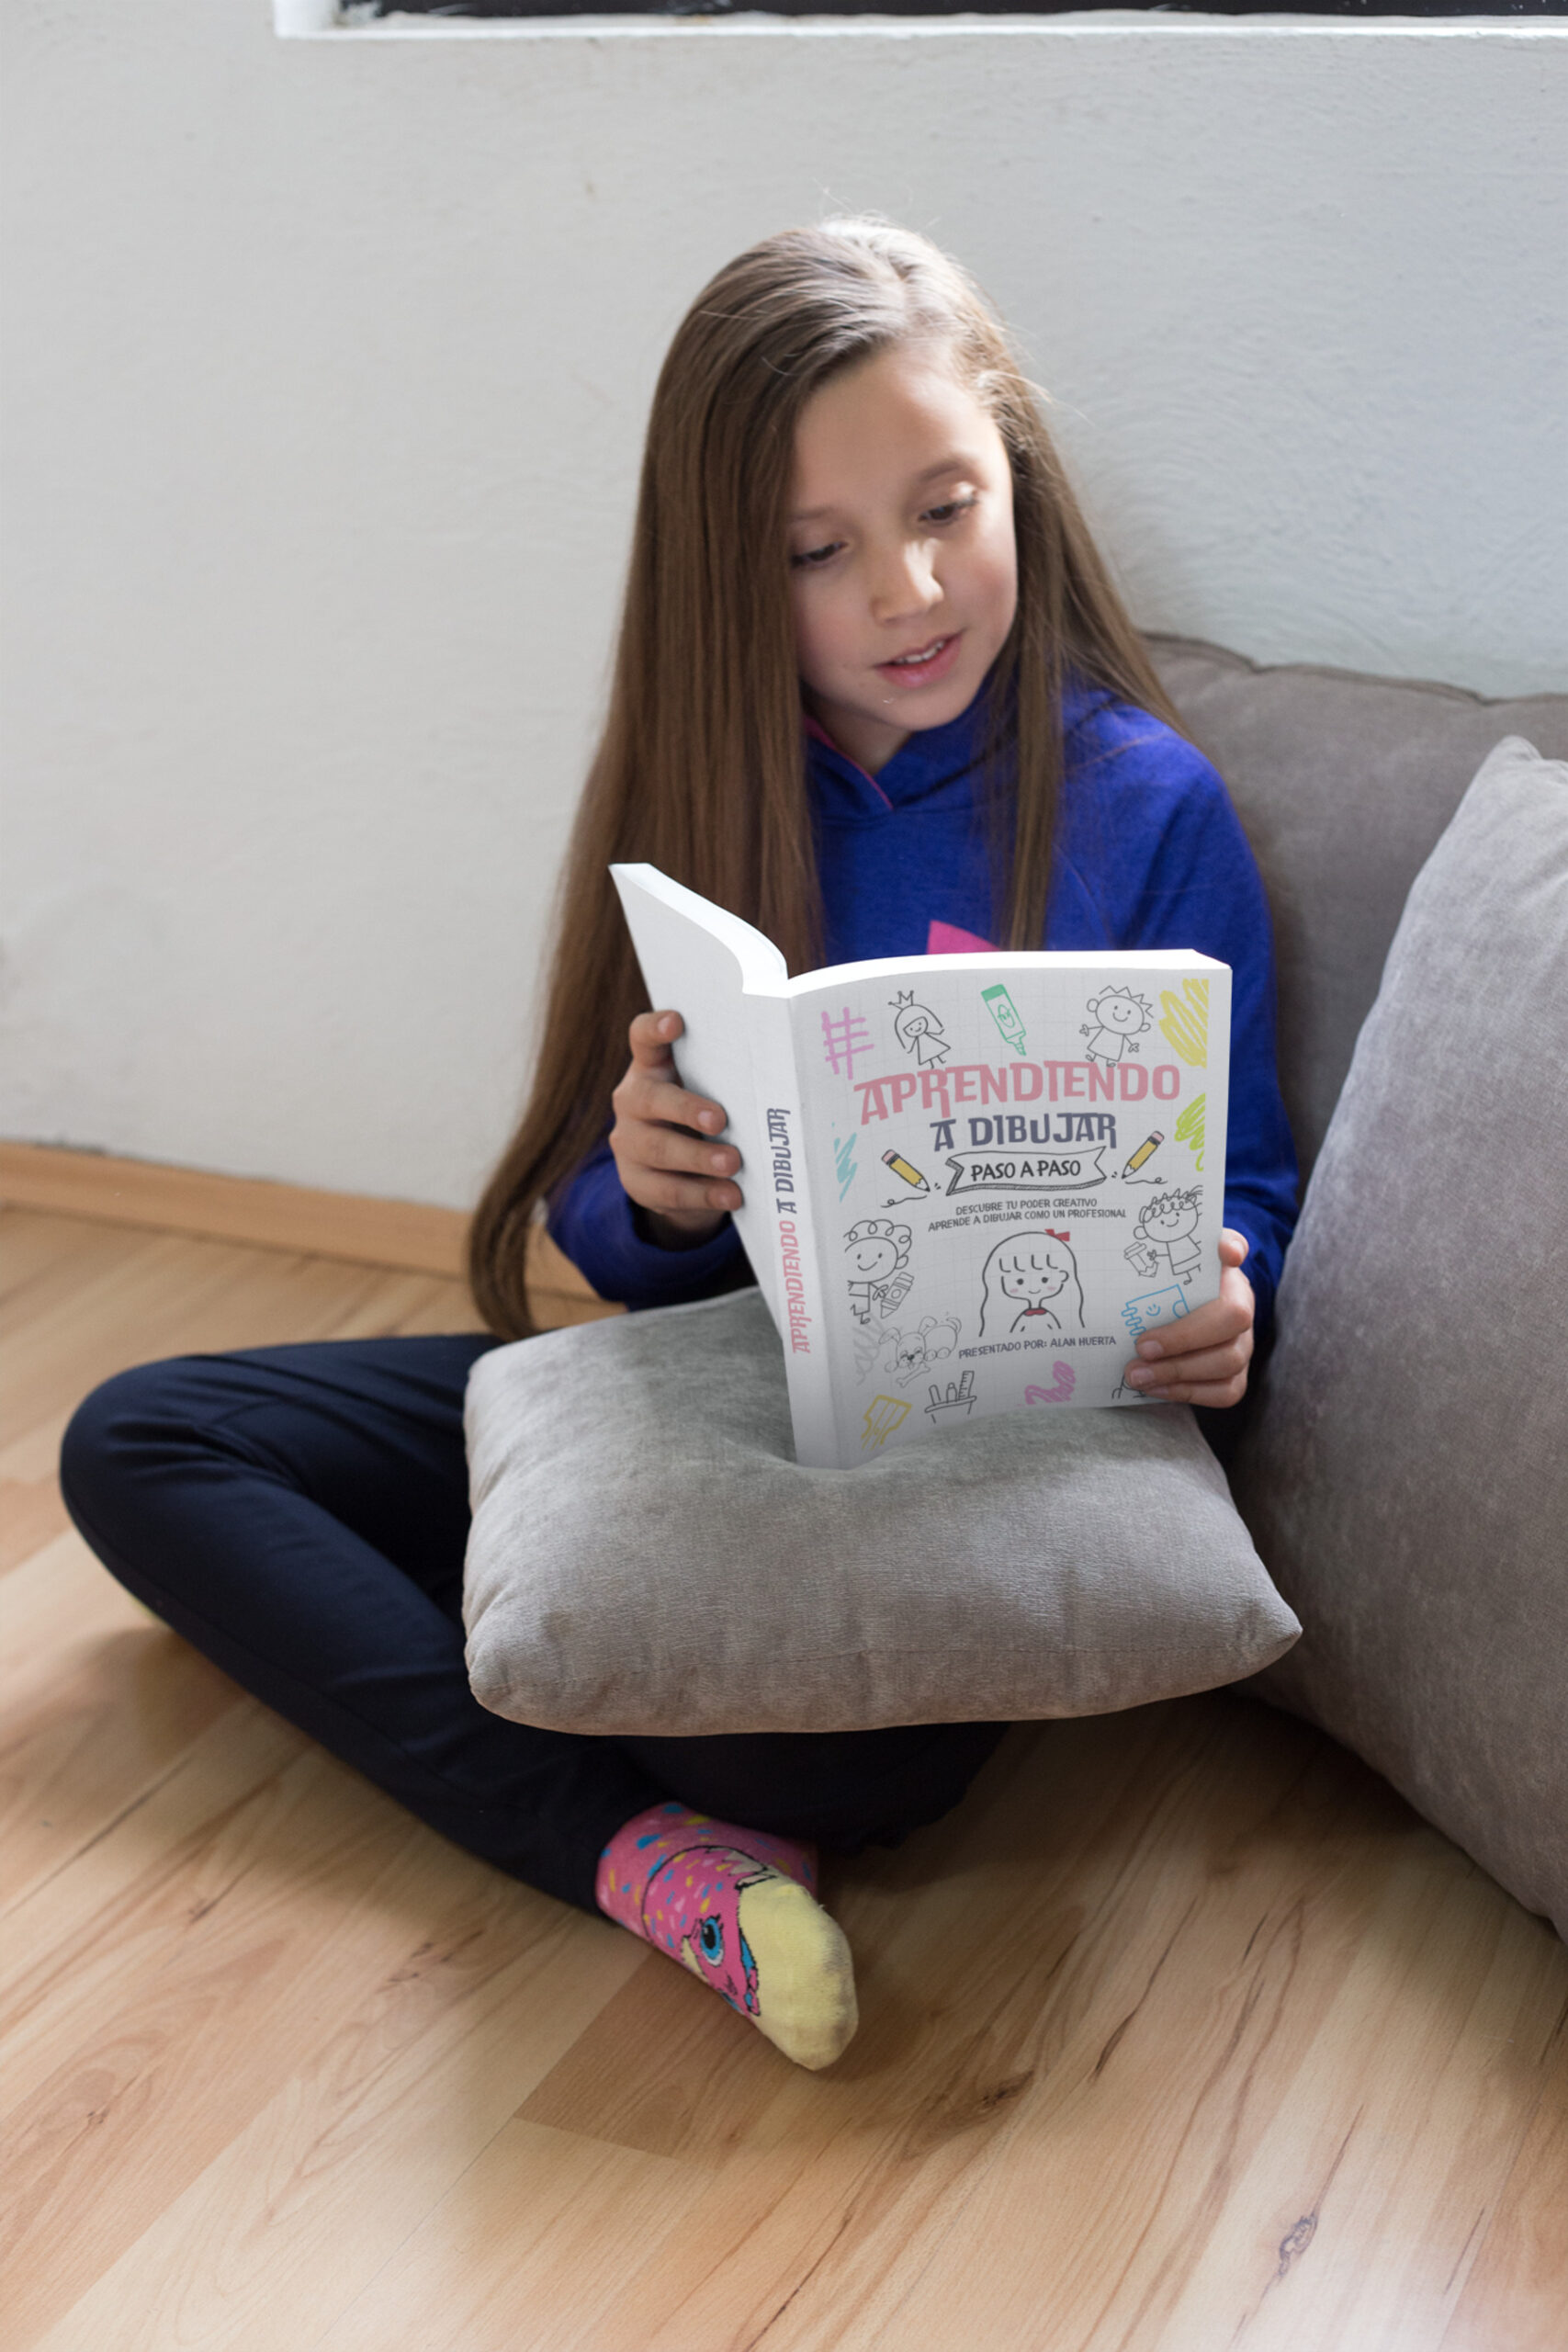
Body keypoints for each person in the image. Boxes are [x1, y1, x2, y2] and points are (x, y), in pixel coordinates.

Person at [61, 220, 1297, 2074]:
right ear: (733, 575)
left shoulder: (1139, 801)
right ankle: (636, 1852)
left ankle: (593, 1748)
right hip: (707, 1394)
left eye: (946, 506)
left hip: (963, 1473)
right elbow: (592, 1219)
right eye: (818, 551)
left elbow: (1245, 1182)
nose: (906, 586)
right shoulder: (707, 787)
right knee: (143, 1438)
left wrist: (1223, 1291)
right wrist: (644, 1188)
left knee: (802, 1741)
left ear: (1015, 481)